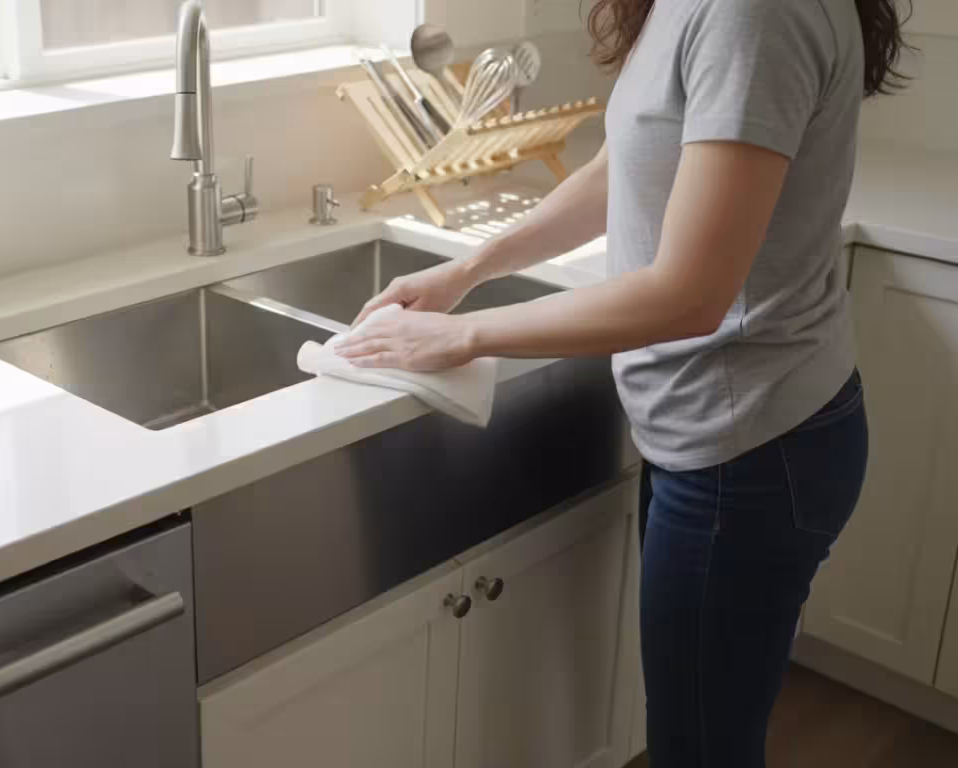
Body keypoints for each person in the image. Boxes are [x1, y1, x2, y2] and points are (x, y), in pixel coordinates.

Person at [336, 0, 912, 765]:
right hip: (730, 438)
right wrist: (468, 271)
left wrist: (465, 333)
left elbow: (691, 294)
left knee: (701, 748)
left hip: (750, 453)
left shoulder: (753, 12)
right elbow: (631, 161)